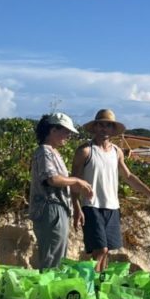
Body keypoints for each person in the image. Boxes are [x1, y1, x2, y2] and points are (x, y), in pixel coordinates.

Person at [71, 108, 150, 272]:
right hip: (91, 206)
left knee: (107, 251)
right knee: (100, 249)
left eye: (108, 125)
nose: (104, 129)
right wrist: (76, 207)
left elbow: (128, 176)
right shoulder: (85, 151)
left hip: (112, 206)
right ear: (95, 127)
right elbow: (74, 181)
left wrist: (149, 192)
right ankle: (95, 282)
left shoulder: (116, 152)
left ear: (113, 129)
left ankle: (100, 280)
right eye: (101, 125)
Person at [29, 113, 93, 269]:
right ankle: (48, 284)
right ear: (53, 130)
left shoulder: (53, 152)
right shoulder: (45, 151)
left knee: (56, 255)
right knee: (52, 257)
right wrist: (77, 180)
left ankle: (51, 283)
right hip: (50, 208)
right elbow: (52, 179)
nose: (69, 136)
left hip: (57, 209)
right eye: (66, 131)